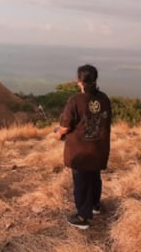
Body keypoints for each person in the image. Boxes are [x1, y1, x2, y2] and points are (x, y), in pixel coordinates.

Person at [55, 64, 112, 230]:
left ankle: (83, 217)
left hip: (80, 152)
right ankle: (95, 206)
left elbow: (65, 127)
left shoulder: (75, 100)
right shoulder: (104, 98)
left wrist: (58, 134)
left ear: (79, 81)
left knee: (81, 183)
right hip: (98, 149)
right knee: (94, 177)